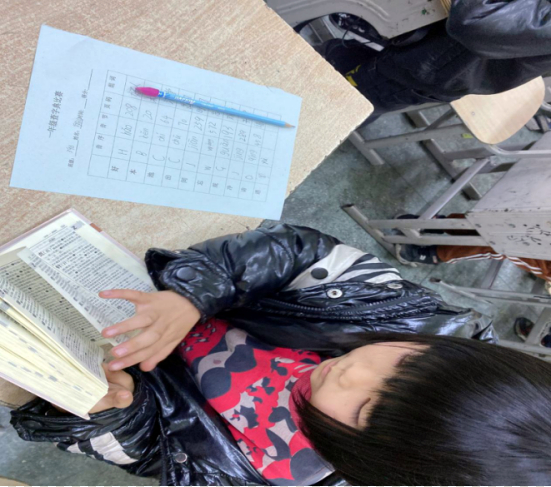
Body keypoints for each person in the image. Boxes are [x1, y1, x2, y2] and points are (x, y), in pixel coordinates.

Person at [10, 225, 551, 485]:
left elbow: (153, 454)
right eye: (405, 365)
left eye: (365, 411)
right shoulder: (416, 318)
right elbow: (300, 252)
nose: (355, 371)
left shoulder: (281, 477)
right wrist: (194, 294)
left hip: (103, 366)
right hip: (157, 290)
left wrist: (115, 413)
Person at [319, 0, 551, 119]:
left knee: (336, 103)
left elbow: (477, 20)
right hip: (431, 40)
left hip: (433, 68)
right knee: (338, 55)